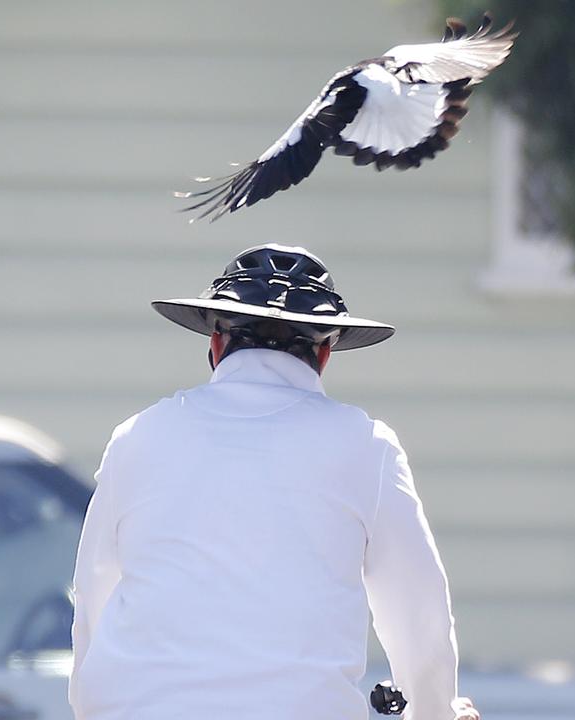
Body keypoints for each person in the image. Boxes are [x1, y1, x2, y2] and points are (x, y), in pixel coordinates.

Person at [70, 244, 477, 720]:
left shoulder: (135, 437)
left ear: (216, 346)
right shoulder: (366, 447)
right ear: (324, 354)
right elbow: (419, 622)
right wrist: (435, 714)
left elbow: (92, 606)